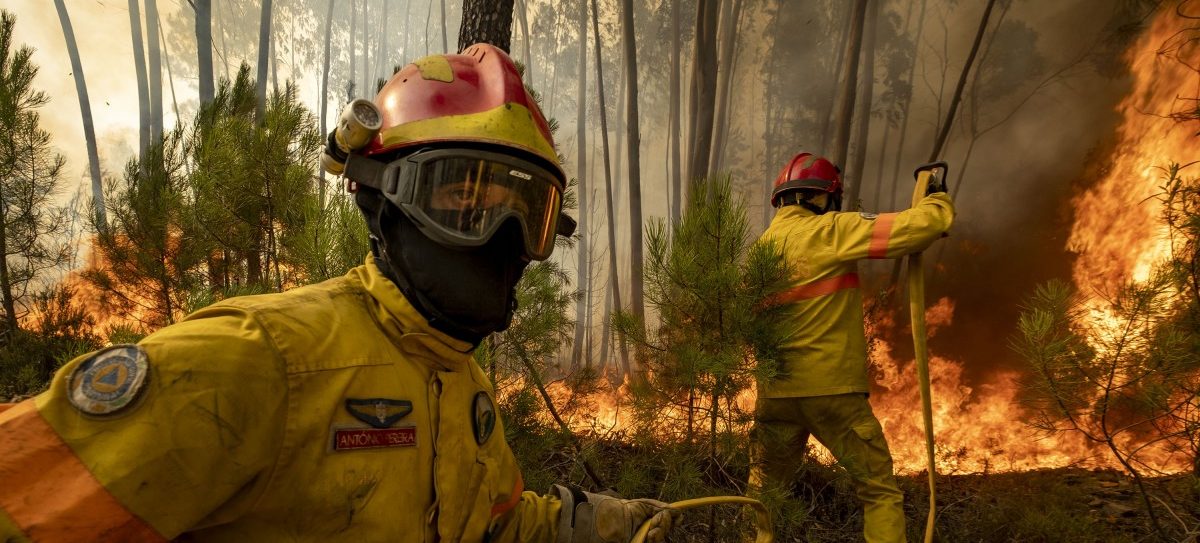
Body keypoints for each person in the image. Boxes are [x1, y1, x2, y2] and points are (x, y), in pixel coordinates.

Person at [0, 44, 678, 543]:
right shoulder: (260, 361)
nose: (498, 237)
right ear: (378, 200)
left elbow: (490, 525)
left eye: (522, 213)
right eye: (462, 199)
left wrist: (589, 522)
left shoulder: (463, 387)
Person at [749, 152, 954, 543]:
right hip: (832, 393)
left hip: (774, 397)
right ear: (823, 197)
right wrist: (937, 200)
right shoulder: (830, 230)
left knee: (762, 500)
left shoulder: (759, 252)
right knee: (878, 491)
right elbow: (919, 228)